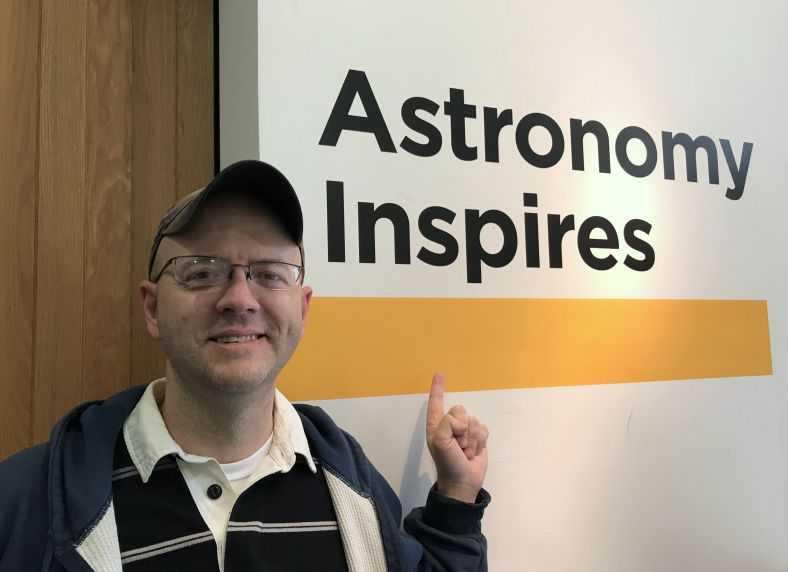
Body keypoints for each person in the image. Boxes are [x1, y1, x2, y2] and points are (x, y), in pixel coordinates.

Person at [0, 160, 490, 571]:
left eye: (269, 274)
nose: (239, 298)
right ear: (152, 308)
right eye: (201, 273)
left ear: (302, 309)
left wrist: (456, 497)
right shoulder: (25, 501)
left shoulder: (353, 484)